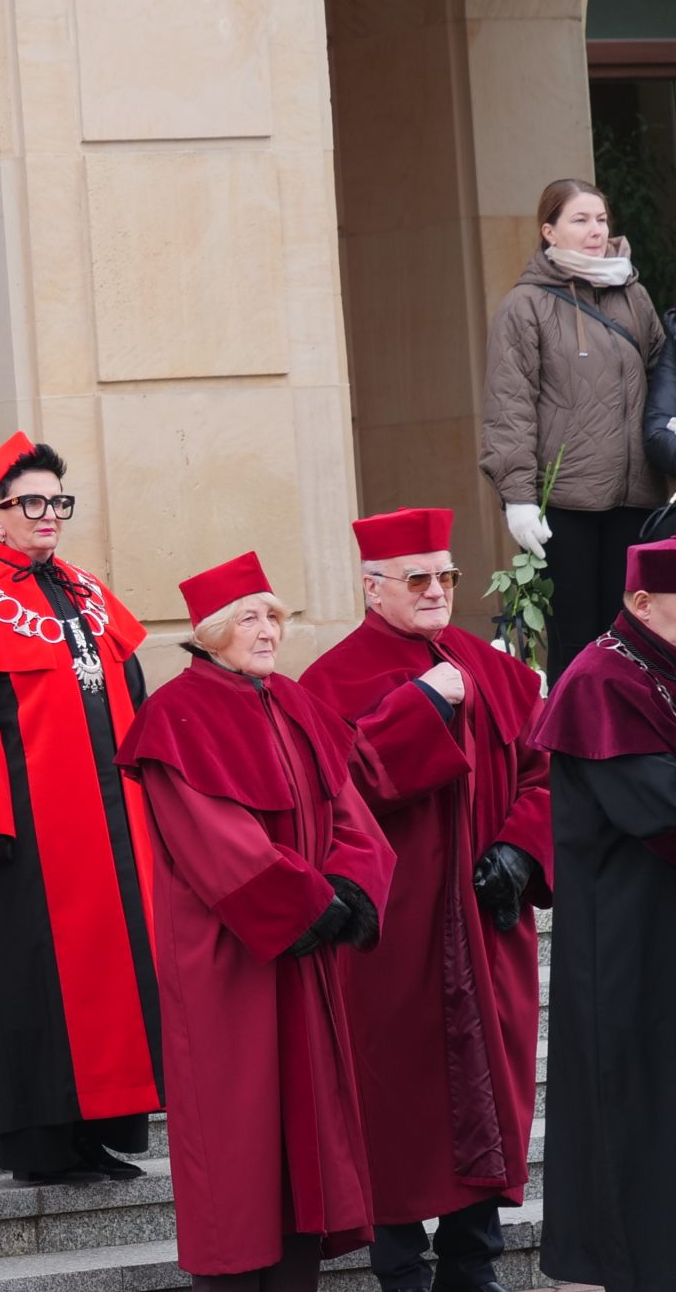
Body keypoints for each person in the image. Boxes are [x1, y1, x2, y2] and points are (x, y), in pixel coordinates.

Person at [116, 552, 394, 1290]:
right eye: (250, 617)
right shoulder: (175, 715)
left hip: (304, 955)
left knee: (304, 1136)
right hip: (229, 958)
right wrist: (311, 902)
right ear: (209, 634)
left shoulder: (296, 702)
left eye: (274, 614)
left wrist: (348, 888)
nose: (269, 629)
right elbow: (214, 842)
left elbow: (352, 817)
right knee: (237, 1132)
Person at [298, 509, 549, 1292]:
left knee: (491, 1091)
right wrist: (426, 704)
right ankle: (400, 1266)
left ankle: (475, 1264)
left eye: (447, 576)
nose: (438, 590)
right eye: (419, 578)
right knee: (397, 1101)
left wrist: (519, 847)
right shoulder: (328, 680)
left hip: (486, 924)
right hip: (391, 932)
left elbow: (548, 772)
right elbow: (342, 787)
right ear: (373, 589)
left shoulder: (495, 667)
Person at [0, 432, 161, 1185]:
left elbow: (134, 692)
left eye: (58, 500)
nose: (49, 515)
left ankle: (100, 1131)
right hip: (28, 841)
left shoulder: (85, 591)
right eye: (33, 503)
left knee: (116, 979)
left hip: (114, 826)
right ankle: (43, 1145)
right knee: (39, 987)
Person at [532, 535, 676, 1292]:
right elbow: (656, 803)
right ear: (641, 601)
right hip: (626, 942)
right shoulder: (598, 680)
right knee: (633, 1113)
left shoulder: (663, 661)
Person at [481, 176, 668, 681]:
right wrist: (517, 496)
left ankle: (633, 753)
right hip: (566, 504)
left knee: (637, 638)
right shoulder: (527, 306)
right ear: (549, 231)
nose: (595, 230)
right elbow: (509, 407)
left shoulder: (634, 296)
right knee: (579, 644)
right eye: (580, 220)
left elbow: (663, 384)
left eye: (601, 219)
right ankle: (574, 758)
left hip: (637, 499)